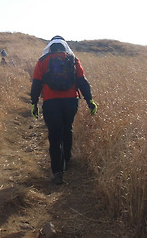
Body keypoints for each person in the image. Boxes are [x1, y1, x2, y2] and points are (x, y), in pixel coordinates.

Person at [30, 36, 97, 185]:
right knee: (68, 129)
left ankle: (57, 172)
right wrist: (90, 101)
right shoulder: (73, 59)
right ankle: (67, 159)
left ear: (50, 46)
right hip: (70, 102)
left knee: (54, 136)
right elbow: (82, 81)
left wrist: (33, 104)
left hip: (50, 102)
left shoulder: (42, 61)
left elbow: (36, 84)